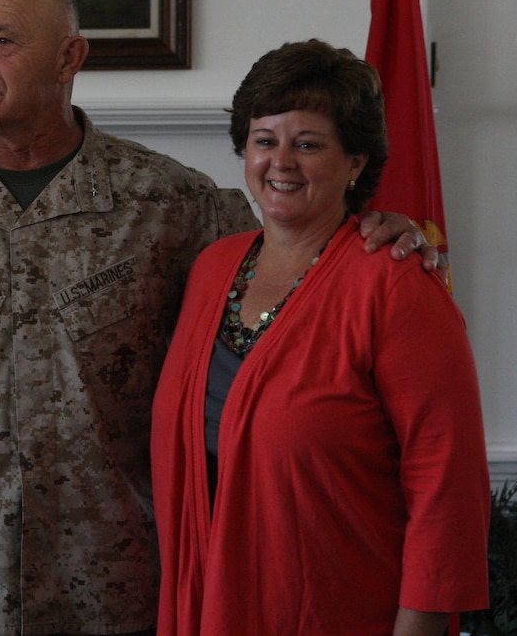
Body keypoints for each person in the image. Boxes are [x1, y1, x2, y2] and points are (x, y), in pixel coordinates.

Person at [0, 0, 434, 636]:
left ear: (71, 55)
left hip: (117, 589)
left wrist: (379, 226)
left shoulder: (172, 205)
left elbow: (301, 272)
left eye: (2, 41)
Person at [151, 39, 490, 635]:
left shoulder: (396, 285)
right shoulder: (211, 268)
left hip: (338, 605)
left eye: (308, 144)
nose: (281, 162)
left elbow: (447, 485)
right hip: (209, 602)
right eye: (264, 140)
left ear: (355, 162)